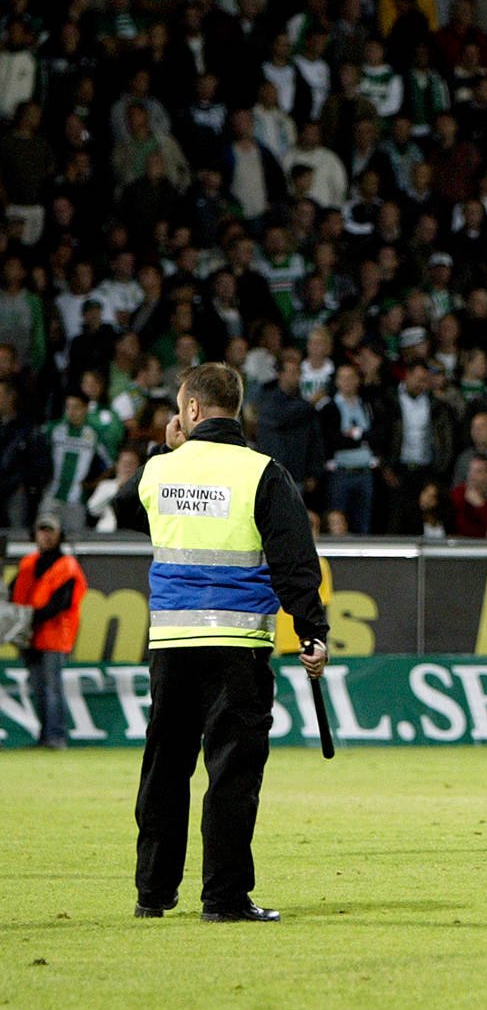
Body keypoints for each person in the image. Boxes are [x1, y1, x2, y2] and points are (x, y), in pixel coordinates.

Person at [113, 362, 329, 921]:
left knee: (165, 768)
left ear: (189, 410)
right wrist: (311, 632)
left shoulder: (160, 471)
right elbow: (295, 562)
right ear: (236, 410)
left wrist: (170, 450)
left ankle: (152, 895)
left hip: (172, 644)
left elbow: (123, 510)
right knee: (231, 773)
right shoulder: (263, 472)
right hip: (238, 645)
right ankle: (225, 898)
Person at [9, 513, 87, 749]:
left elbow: (59, 604)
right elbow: (13, 593)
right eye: (42, 530)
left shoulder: (68, 566)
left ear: (59, 534)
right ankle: (46, 735)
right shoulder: (28, 563)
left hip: (53, 635)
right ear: (35, 534)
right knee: (39, 690)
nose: (45, 535)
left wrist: (25, 618)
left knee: (52, 690)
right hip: (30, 636)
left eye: (50, 531)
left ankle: (56, 736)